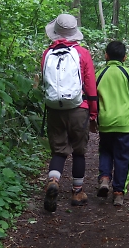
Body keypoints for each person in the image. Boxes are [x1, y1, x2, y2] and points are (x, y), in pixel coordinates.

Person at [41, 13, 98, 212]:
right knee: (79, 151)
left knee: (59, 150)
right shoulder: (82, 53)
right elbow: (90, 85)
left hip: (55, 109)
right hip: (78, 108)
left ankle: (54, 180)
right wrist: (93, 113)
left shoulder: (47, 53)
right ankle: (77, 192)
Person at [94, 41, 129, 206]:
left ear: (106, 55)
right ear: (125, 57)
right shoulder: (128, 74)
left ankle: (105, 178)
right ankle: (118, 192)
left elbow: (93, 98)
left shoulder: (99, 73)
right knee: (123, 157)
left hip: (105, 122)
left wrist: (94, 117)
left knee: (106, 151)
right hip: (124, 124)